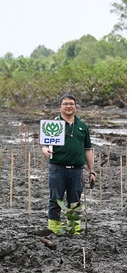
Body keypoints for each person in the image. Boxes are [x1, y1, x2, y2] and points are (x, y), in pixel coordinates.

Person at [41, 94, 96, 234]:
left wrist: (92, 171)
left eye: (71, 103)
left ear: (75, 107)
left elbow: (88, 150)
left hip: (77, 170)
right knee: (55, 199)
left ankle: (74, 229)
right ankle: (54, 228)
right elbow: (45, 144)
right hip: (58, 169)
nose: (68, 106)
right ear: (60, 107)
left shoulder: (82, 126)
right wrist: (45, 148)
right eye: (65, 104)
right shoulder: (53, 125)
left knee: (75, 200)